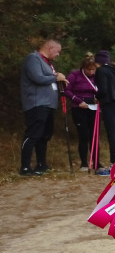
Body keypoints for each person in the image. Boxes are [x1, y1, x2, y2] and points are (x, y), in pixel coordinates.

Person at [20, 39, 67, 176]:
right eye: (57, 51)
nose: (58, 54)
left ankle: (41, 164)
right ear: (50, 48)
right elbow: (38, 78)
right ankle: (25, 167)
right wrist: (56, 77)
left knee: (44, 135)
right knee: (33, 134)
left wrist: (60, 81)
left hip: (49, 104)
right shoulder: (33, 58)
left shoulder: (48, 63)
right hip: (36, 103)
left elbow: (50, 79)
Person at [64, 56, 108, 173]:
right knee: (83, 135)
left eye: (93, 70)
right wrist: (78, 101)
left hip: (94, 107)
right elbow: (67, 90)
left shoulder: (98, 76)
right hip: (79, 107)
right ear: (83, 68)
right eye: (89, 70)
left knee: (94, 135)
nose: (91, 72)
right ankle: (84, 162)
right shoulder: (74, 75)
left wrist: (98, 99)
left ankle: (96, 162)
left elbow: (102, 90)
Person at [95, 50, 115, 167]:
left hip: (109, 103)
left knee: (111, 134)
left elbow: (102, 90)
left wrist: (95, 96)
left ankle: (114, 162)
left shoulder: (101, 71)